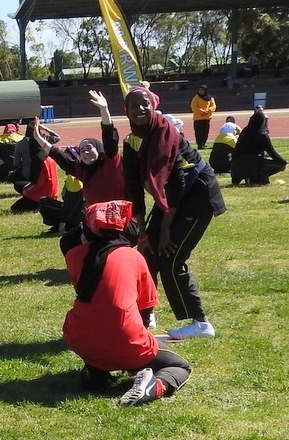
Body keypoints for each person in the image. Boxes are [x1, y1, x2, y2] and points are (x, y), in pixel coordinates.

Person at [61, 200, 192, 406]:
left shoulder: (74, 256)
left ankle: (97, 371)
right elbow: (145, 312)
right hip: (124, 341)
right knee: (180, 366)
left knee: (98, 324)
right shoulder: (134, 257)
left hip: (79, 338)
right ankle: (154, 386)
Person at [122, 87, 226, 339]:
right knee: (147, 255)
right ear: (126, 110)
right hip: (170, 198)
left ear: (154, 104)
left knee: (171, 258)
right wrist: (143, 234)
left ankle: (201, 323)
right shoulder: (131, 141)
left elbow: (178, 185)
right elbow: (133, 189)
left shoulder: (167, 134)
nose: (140, 109)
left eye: (145, 104)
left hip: (196, 196)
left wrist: (166, 229)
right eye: (134, 105)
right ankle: (145, 316)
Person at [34, 90, 125, 206]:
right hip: (96, 219)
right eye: (82, 150)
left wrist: (104, 109)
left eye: (89, 148)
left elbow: (109, 135)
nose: (86, 152)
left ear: (99, 149)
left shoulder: (110, 162)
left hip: (119, 218)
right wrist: (38, 138)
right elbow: (58, 156)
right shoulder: (82, 170)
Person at [10, 122, 59, 214]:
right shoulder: (49, 158)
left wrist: (27, 191)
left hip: (42, 195)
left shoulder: (38, 160)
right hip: (52, 193)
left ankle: (39, 206)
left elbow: (39, 183)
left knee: (15, 207)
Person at [230, 110, 288, 185]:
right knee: (279, 165)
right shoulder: (262, 135)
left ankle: (248, 177)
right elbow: (271, 152)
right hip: (253, 166)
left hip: (237, 168)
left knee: (252, 160)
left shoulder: (245, 131)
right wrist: (283, 162)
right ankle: (257, 178)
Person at [189, 84, 216, 149]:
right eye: (200, 90)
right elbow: (193, 107)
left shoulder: (210, 98)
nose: (200, 91)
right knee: (199, 133)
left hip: (206, 118)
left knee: (205, 132)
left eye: (202, 90)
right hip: (198, 118)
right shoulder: (196, 98)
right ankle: (200, 144)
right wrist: (202, 111)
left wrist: (208, 110)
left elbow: (213, 106)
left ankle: (203, 143)